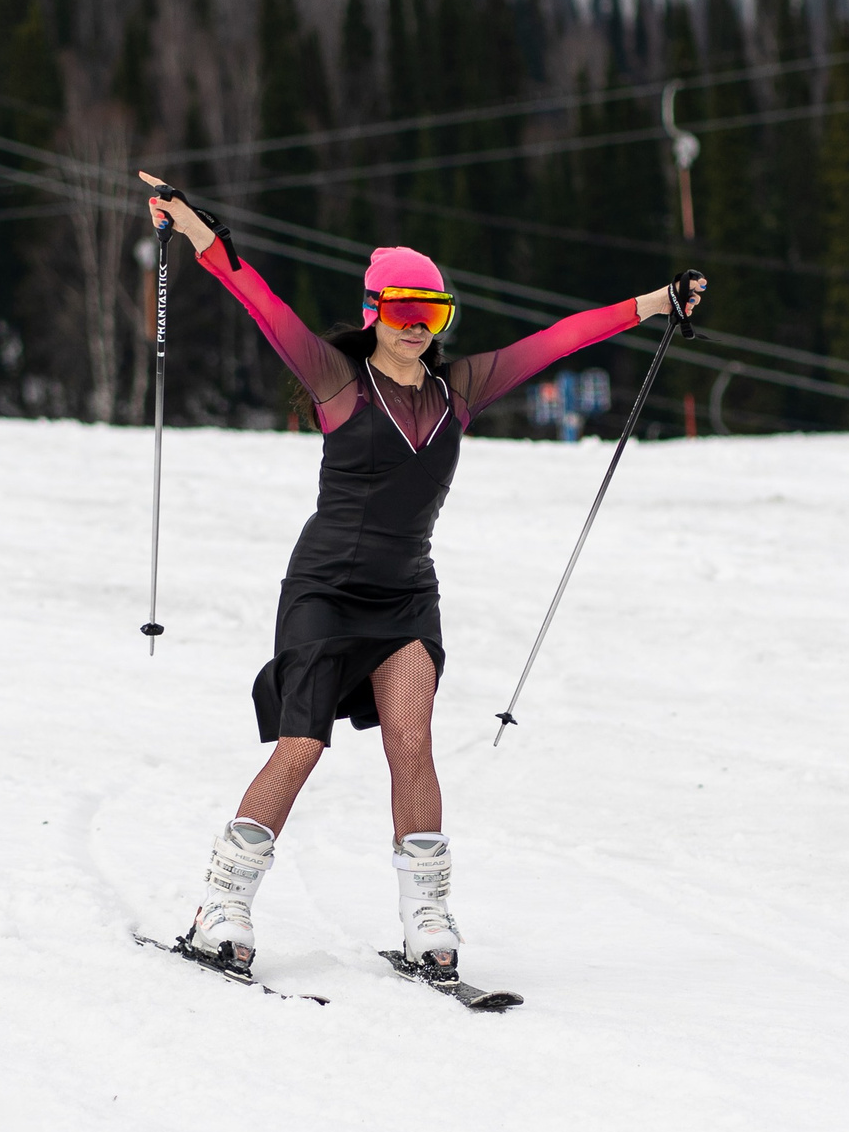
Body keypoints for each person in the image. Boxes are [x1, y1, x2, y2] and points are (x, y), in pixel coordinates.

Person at [146, 183, 704, 980]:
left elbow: (560, 340)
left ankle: (425, 917)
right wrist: (189, 220)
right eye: (406, 312)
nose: (419, 329)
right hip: (324, 593)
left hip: (407, 595)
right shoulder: (336, 379)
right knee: (301, 746)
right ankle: (221, 906)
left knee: (413, 744)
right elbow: (252, 291)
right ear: (375, 311)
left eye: (434, 315)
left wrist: (657, 302)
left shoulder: (457, 392)